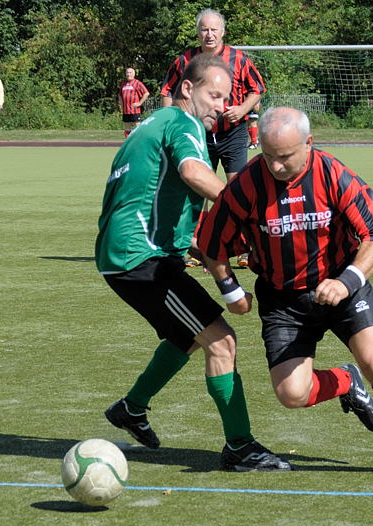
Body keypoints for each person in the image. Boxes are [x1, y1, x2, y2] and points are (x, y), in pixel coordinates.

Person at [197, 107, 373, 480]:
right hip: (282, 300)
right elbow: (211, 244)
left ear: (309, 142)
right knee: (292, 394)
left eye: (285, 157)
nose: (275, 166)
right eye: (268, 156)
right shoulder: (246, 185)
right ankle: (344, 381)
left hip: (343, 285)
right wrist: (231, 292)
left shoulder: (332, 173)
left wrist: (346, 282)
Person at [96, 53, 290, 473]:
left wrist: (210, 249)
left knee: (186, 336)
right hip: (141, 258)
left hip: (132, 253)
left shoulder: (155, 123)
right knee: (222, 341)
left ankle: (132, 408)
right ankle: (240, 446)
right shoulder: (183, 124)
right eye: (214, 95)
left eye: (226, 97)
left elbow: (159, 197)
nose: (222, 105)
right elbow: (192, 172)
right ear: (188, 89)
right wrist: (245, 213)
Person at [160, 8, 263, 268]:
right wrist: (169, 121)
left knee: (236, 188)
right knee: (197, 191)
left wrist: (242, 109)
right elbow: (167, 91)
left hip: (233, 133)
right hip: (198, 134)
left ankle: (244, 247)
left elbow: (257, 89)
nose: (209, 34)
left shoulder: (238, 58)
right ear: (197, 32)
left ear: (222, 32)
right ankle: (196, 246)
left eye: (214, 29)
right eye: (204, 29)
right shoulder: (185, 60)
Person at [117, 67, 149, 138]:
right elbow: (119, 95)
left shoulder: (137, 83)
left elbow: (146, 93)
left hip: (135, 110)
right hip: (126, 110)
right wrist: (121, 104)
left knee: (138, 127)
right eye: (127, 73)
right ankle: (128, 142)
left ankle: (140, 141)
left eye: (130, 72)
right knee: (127, 128)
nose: (128, 74)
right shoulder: (123, 84)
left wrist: (140, 103)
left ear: (134, 74)